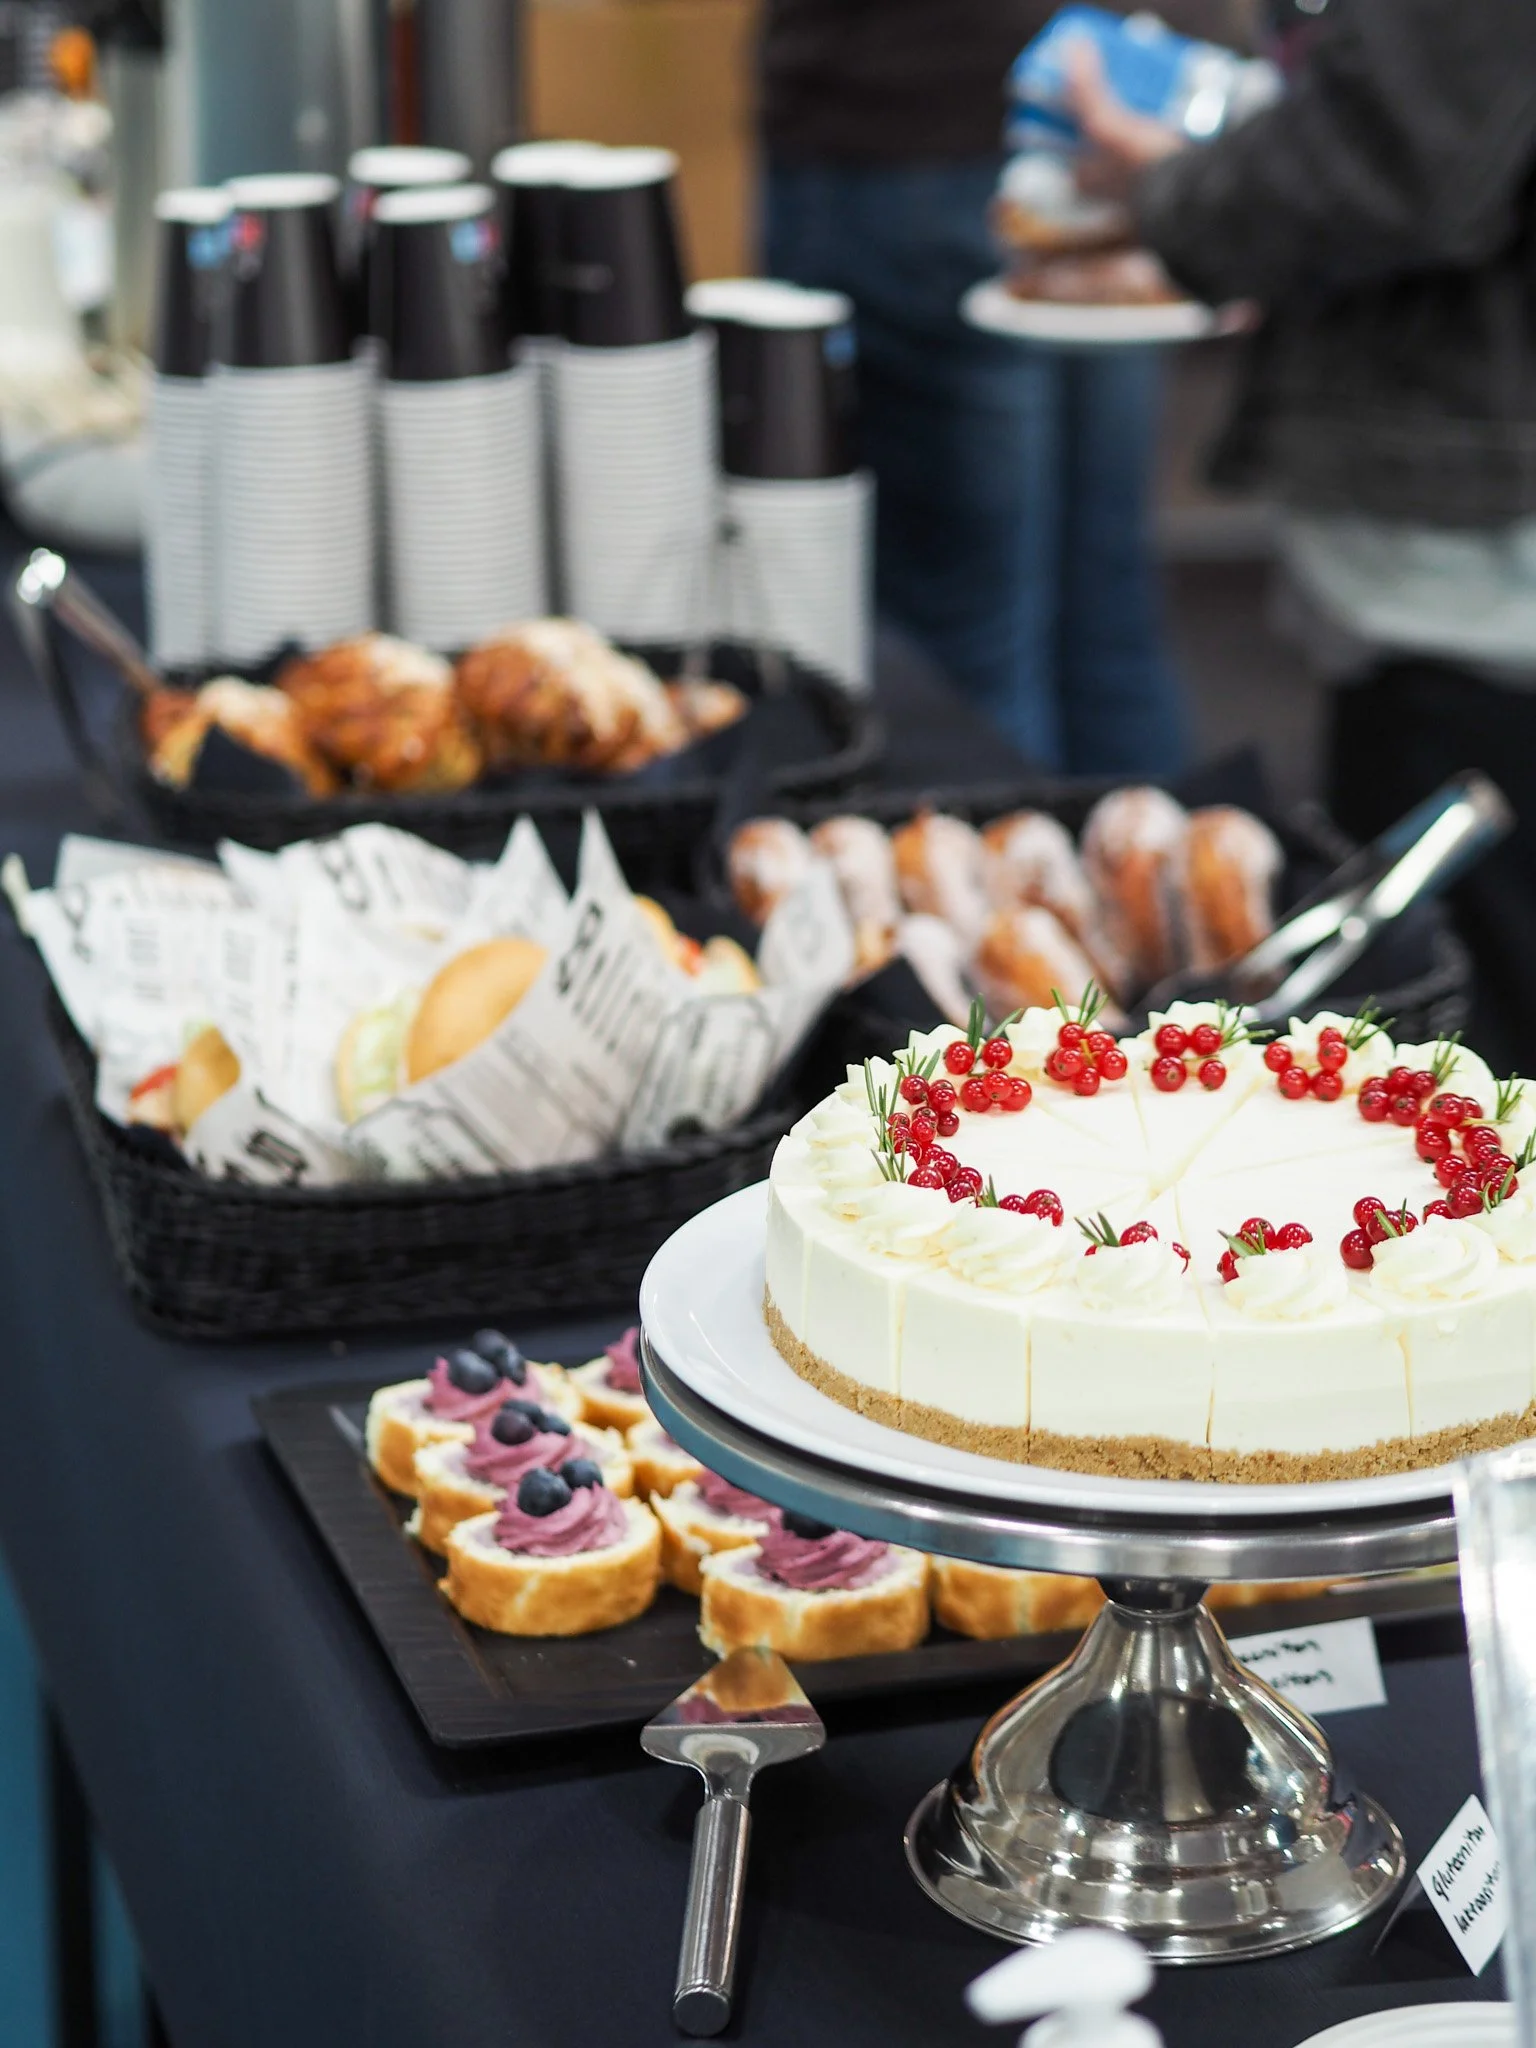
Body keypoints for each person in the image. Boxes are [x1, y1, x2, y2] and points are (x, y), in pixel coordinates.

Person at [1062, 0, 1536, 1064]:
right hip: (1470, 544)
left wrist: (1176, 192)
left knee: (1457, 1050)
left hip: (1482, 567)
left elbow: (1404, 151)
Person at [758, 0, 1197, 777]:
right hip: (1108, 106)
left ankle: (1041, 853)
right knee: (1102, 619)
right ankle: (1132, 850)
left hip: (922, 125)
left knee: (962, 659)